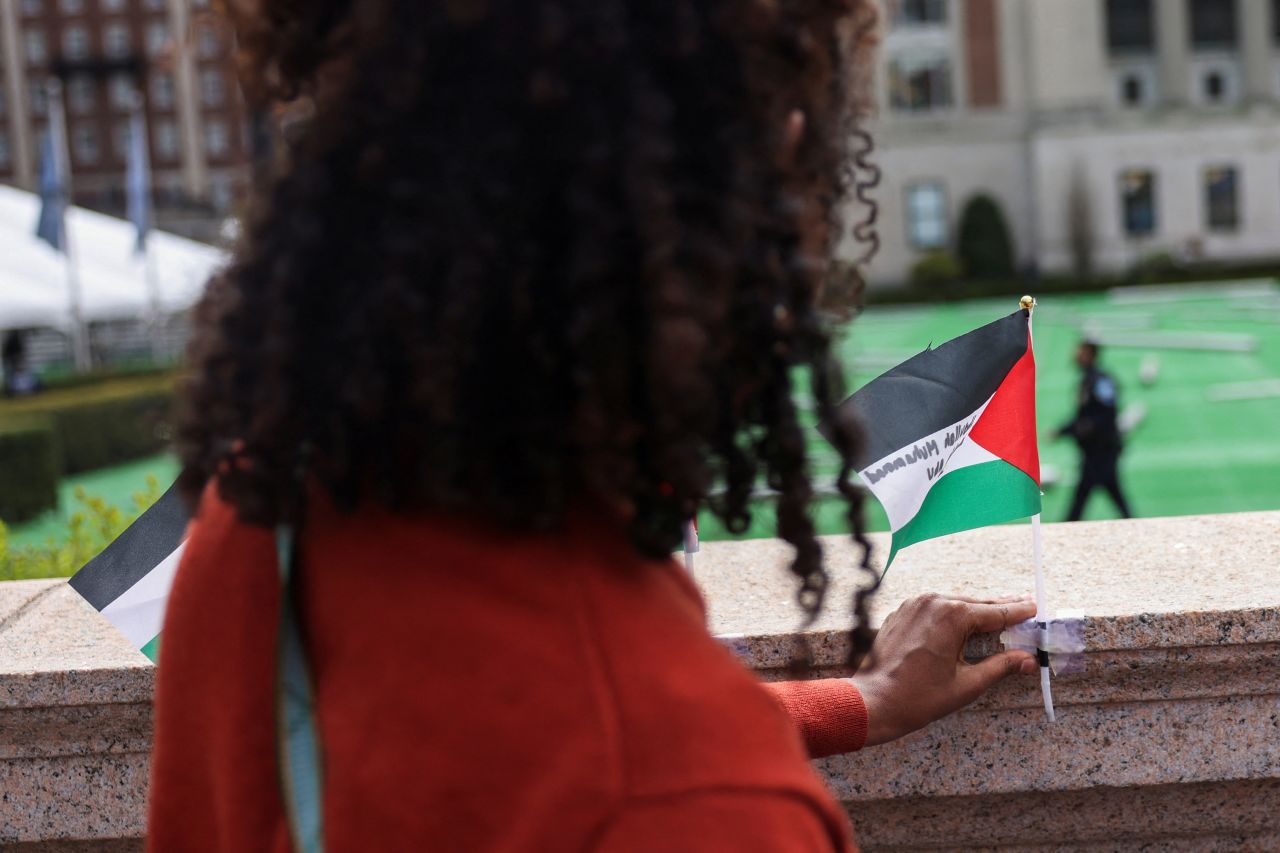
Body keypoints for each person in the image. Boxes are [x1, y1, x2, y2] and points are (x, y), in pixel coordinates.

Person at [148, 2, 1040, 850]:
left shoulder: (262, 512)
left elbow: (479, 733)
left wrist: (859, 701)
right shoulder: (699, 804)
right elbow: (607, 747)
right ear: (774, 158)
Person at [1057, 340, 1133, 522]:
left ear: (1090, 355)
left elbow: (1106, 414)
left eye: (1080, 352)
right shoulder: (1088, 380)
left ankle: (1065, 529)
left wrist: (1075, 429)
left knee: (1085, 495)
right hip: (1094, 450)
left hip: (1102, 450)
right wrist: (1065, 430)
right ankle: (1132, 523)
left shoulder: (1101, 381)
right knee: (1108, 492)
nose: (1075, 356)